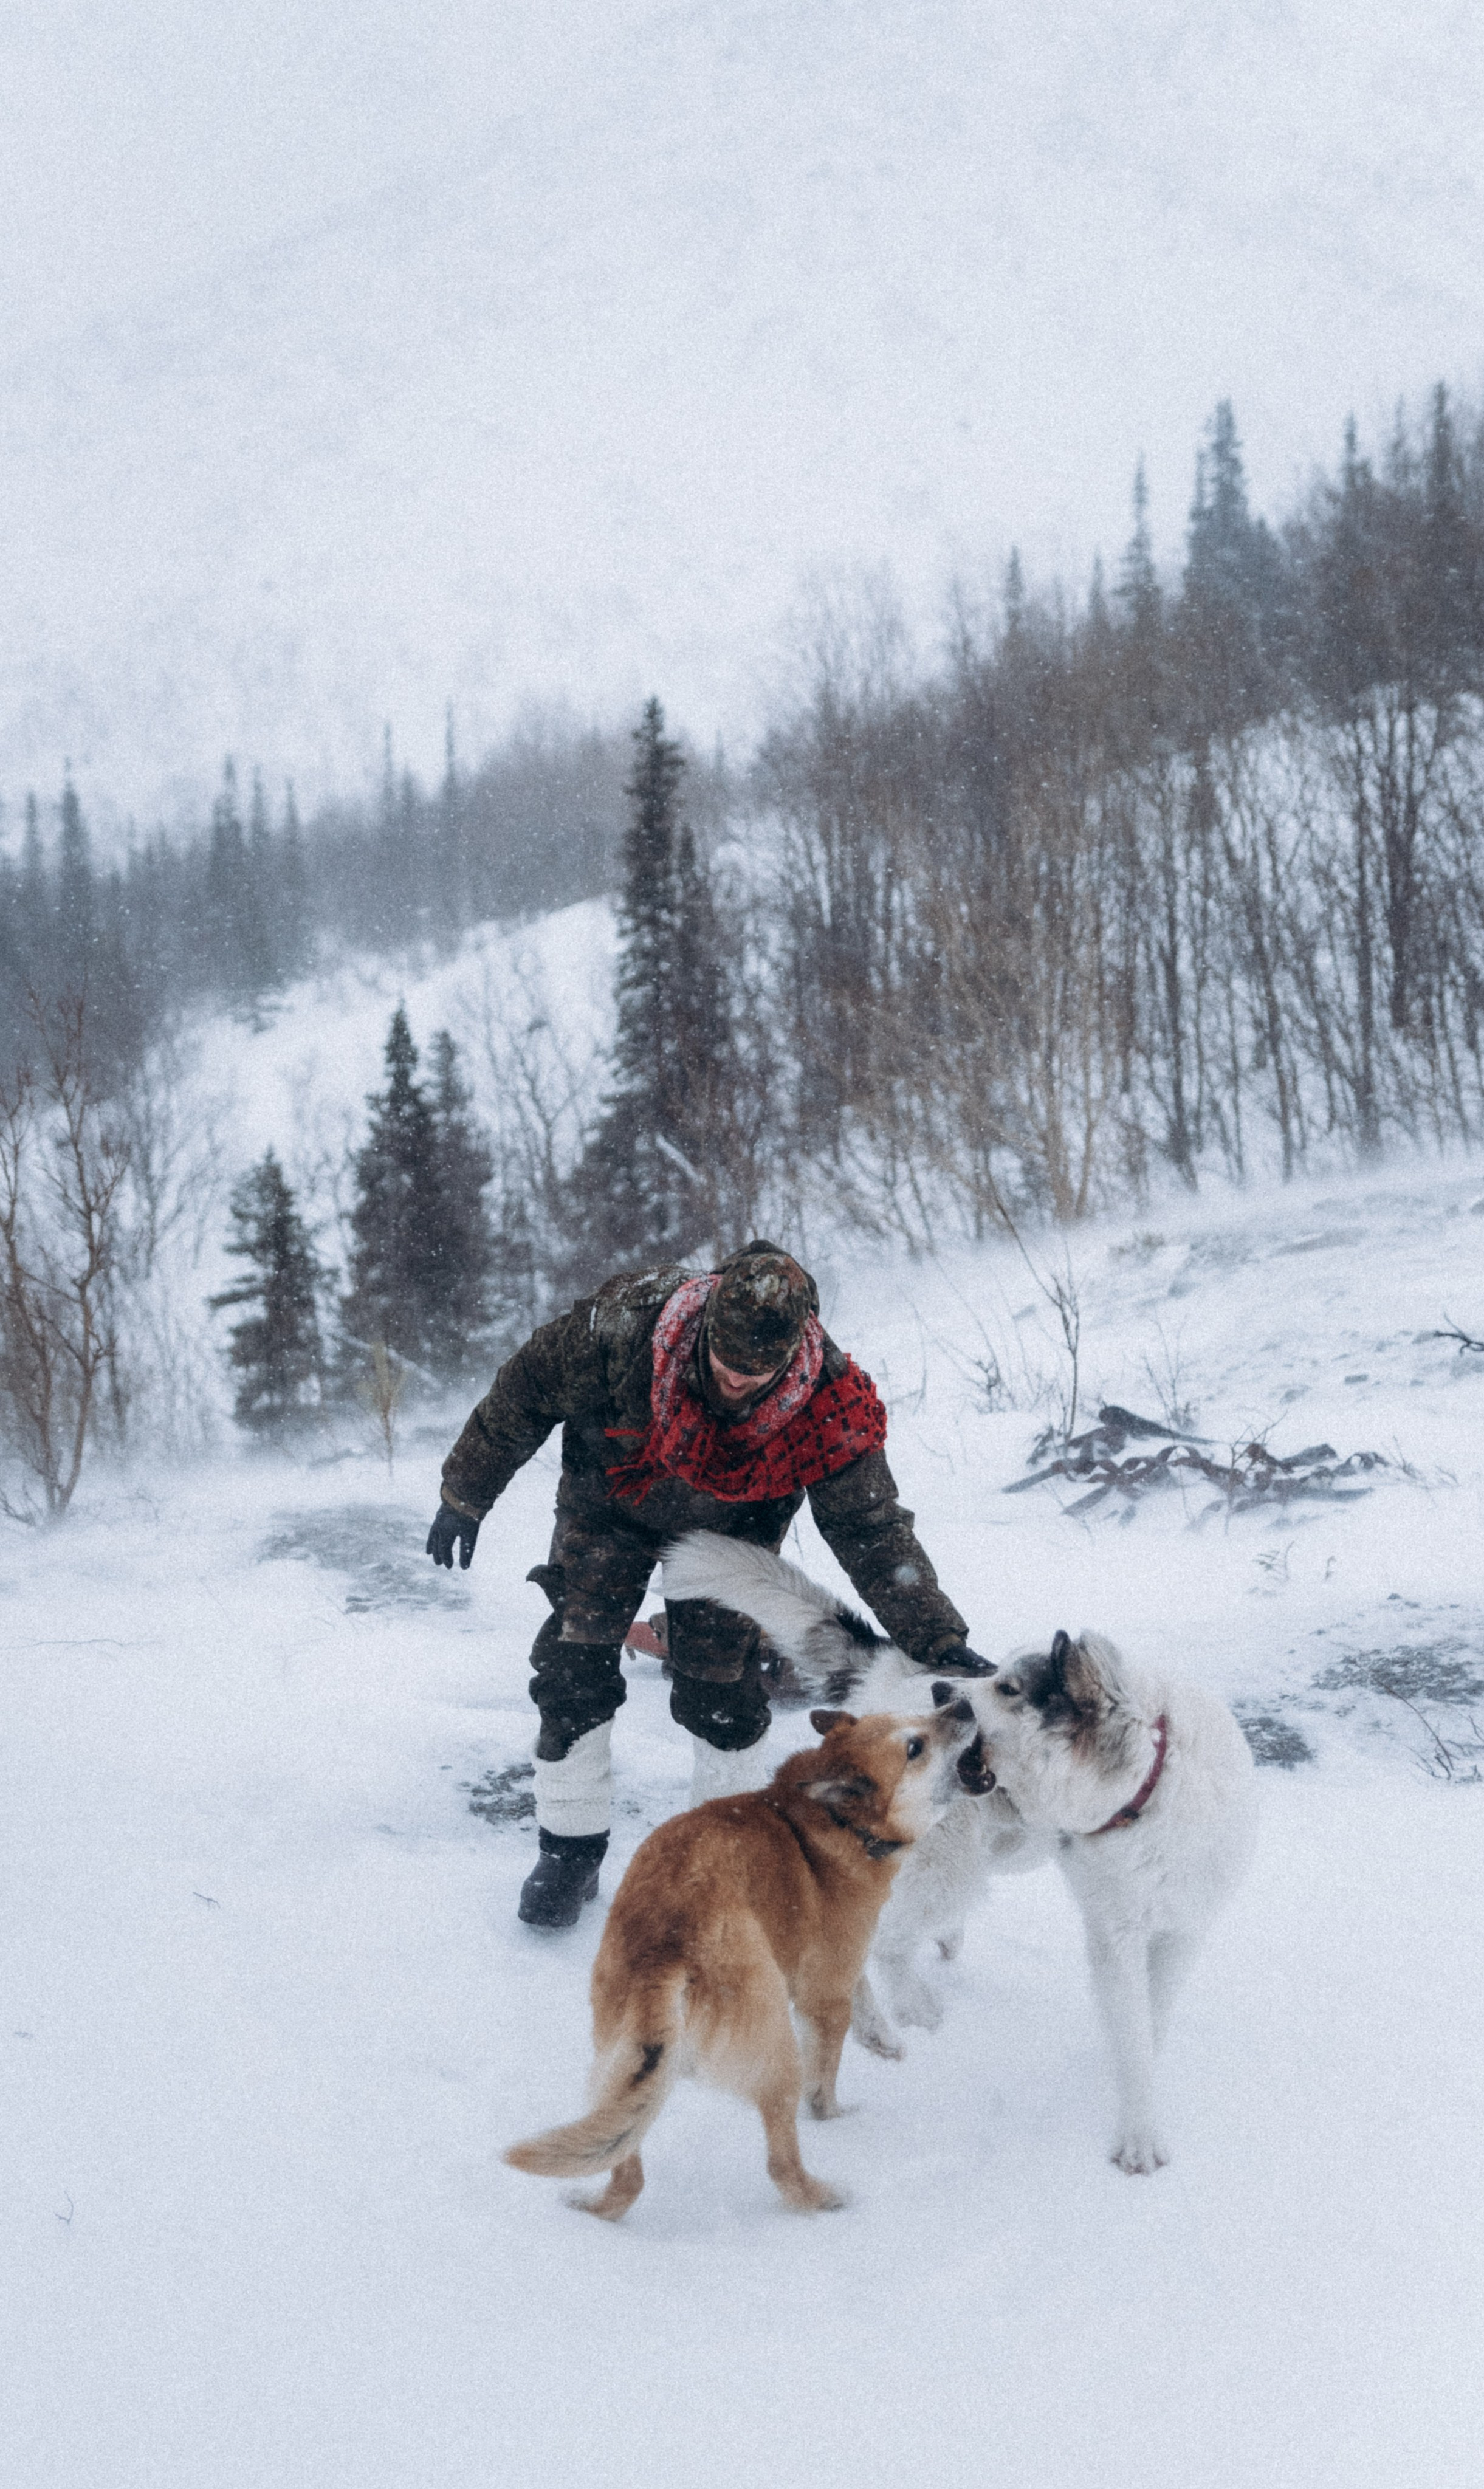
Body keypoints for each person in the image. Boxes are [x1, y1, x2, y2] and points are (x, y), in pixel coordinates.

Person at [427, 1241, 992, 1928]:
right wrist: (466, 1490)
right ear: (706, 1328)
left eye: (757, 1376)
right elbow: (524, 1391)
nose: (735, 1383)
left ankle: (725, 1860)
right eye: (724, 1366)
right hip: (610, 1501)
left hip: (736, 1528)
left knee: (720, 1688)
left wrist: (939, 1635)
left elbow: (871, 1529)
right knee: (573, 1664)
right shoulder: (624, 1327)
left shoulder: (828, 1399)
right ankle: (568, 1852)